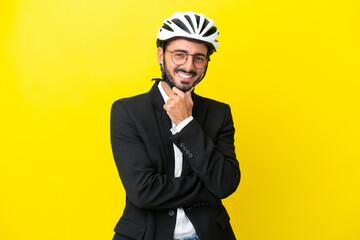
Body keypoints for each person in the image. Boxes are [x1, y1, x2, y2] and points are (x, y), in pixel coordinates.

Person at [110, 11, 240, 240]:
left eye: (199, 58)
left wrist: (186, 123)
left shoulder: (219, 113)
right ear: (161, 56)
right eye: (180, 55)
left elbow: (225, 183)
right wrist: (206, 191)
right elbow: (143, 192)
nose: (189, 66)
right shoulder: (128, 111)